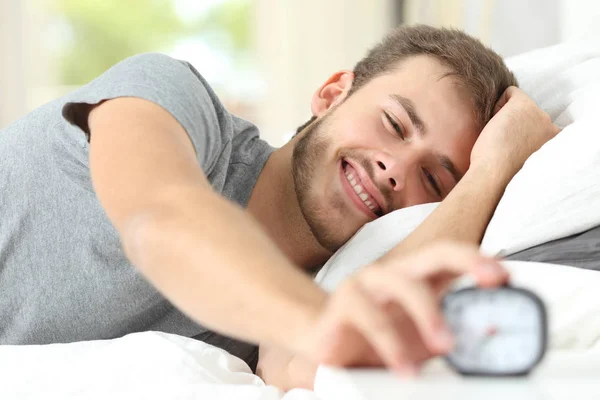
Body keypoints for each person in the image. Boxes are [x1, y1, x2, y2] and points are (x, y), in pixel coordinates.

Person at [0, 25, 558, 390]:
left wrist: (492, 171)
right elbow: (159, 219)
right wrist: (321, 320)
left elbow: (306, 365)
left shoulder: (307, 296)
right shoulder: (175, 98)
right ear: (332, 94)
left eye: (433, 178)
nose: (395, 168)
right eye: (393, 123)